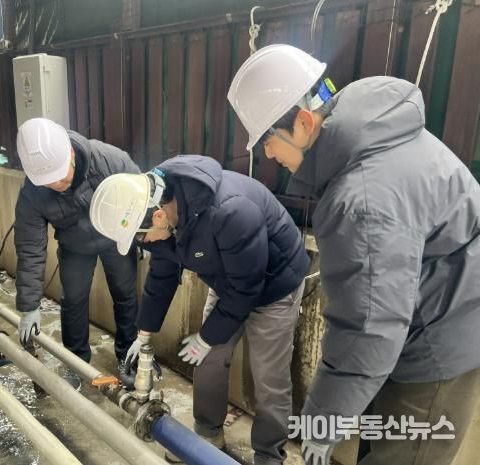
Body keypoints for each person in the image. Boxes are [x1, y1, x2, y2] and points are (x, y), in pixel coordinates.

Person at [228, 44, 480, 465]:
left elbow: (369, 326)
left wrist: (322, 421)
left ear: (304, 122)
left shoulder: (363, 197)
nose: (267, 155)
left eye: (268, 141)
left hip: (440, 343)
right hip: (433, 314)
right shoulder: (376, 137)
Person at [89, 155, 309, 464]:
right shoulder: (158, 207)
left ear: (158, 218)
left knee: (269, 377)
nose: (143, 243)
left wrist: (206, 337)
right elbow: (162, 274)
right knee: (209, 360)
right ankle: (208, 434)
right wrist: (144, 334)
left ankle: (269, 454)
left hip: (274, 285)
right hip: (227, 279)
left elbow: (246, 290)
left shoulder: (230, 211)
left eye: (141, 237)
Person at [14, 117, 140, 390]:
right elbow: (30, 249)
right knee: (73, 300)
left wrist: (140, 235)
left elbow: (141, 198)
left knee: (125, 294)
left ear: (70, 154)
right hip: (74, 244)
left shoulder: (109, 161)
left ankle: (130, 358)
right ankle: (75, 361)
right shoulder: (32, 193)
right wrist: (29, 305)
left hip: (116, 236)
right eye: (49, 182)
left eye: (61, 177)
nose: (57, 185)